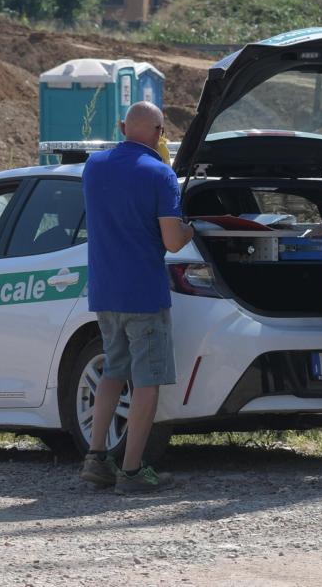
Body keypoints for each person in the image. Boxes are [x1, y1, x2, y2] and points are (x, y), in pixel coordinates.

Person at [79, 101, 194, 494]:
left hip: (105, 290)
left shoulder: (94, 167)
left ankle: (96, 457)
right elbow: (172, 242)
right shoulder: (160, 175)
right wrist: (190, 228)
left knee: (113, 369)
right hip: (143, 293)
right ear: (161, 134)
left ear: (122, 125)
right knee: (147, 381)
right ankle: (131, 471)